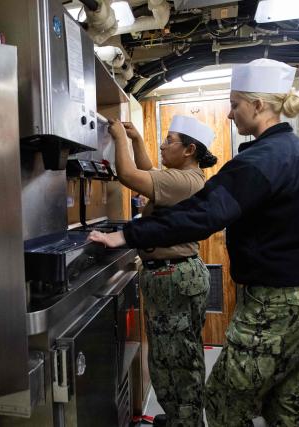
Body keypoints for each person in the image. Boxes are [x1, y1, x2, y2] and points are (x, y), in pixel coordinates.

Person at [90, 59, 299, 427]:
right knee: (289, 401)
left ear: (258, 105)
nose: (229, 115)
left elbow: (202, 215)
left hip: (278, 300)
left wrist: (128, 234)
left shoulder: (259, 161)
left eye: (234, 105)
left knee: (225, 401)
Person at [107, 116, 218, 427]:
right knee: (170, 356)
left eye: (169, 140)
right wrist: (137, 140)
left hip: (174, 276)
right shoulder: (183, 177)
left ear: (189, 149)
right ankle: (180, 419)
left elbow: (130, 175)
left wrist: (117, 136)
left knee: (177, 360)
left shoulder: (185, 181)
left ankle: (186, 422)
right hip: (172, 276)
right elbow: (150, 174)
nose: (163, 145)